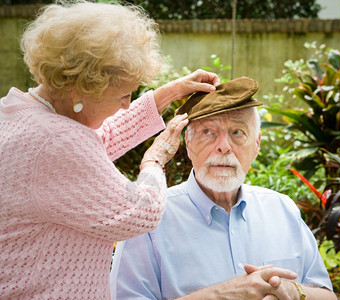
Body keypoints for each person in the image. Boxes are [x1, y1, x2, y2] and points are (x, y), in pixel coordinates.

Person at [0, 1, 220, 299]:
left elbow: (98, 141)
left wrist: (170, 92)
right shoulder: (58, 141)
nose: (126, 105)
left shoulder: (18, 113)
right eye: (124, 95)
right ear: (84, 88)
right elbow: (141, 212)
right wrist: (155, 161)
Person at [111, 77, 337, 300]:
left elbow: (327, 295)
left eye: (238, 132)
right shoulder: (148, 221)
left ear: (256, 144)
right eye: (208, 132)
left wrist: (293, 291)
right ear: (187, 143)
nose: (224, 147)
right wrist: (220, 295)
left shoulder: (282, 209)